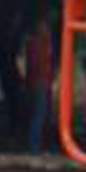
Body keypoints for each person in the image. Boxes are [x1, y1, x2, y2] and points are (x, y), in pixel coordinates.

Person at [22, 19, 58, 154]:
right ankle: (34, 146)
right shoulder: (38, 45)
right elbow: (36, 66)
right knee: (39, 115)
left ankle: (39, 145)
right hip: (40, 84)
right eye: (45, 27)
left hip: (41, 83)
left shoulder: (40, 44)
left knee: (42, 115)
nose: (48, 31)